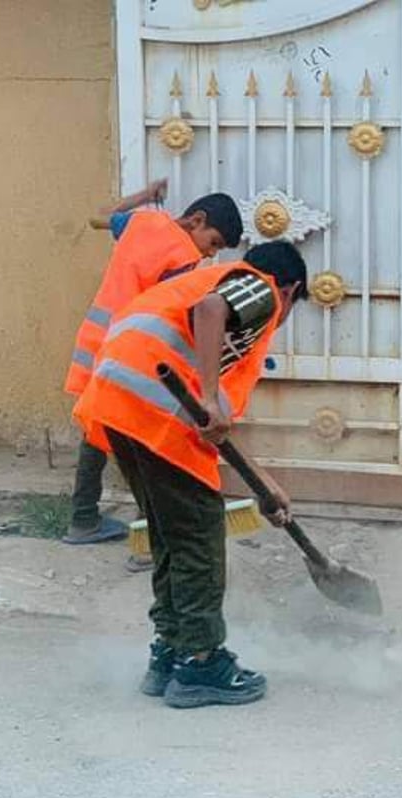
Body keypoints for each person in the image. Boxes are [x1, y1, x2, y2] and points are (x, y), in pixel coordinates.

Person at [72, 240, 307, 708]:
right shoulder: (257, 286)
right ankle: (201, 663)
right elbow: (212, 309)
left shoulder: (194, 281)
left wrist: (265, 484)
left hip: (121, 407)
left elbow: (214, 425)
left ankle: (169, 652)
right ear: (290, 290)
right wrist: (208, 393)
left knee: (169, 536)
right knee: (198, 536)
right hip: (157, 413)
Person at [62, 183, 244, 547]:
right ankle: (147, 544)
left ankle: (83, 520)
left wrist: (144, 195)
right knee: (144, 440)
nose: (210, 255)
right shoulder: (183, 260)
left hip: (96, 342)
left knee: (95, 432)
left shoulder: (141, 222)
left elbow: (98, 216)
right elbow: (176, 315)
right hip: (133, 353)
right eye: (213, 243)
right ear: (197, 220)